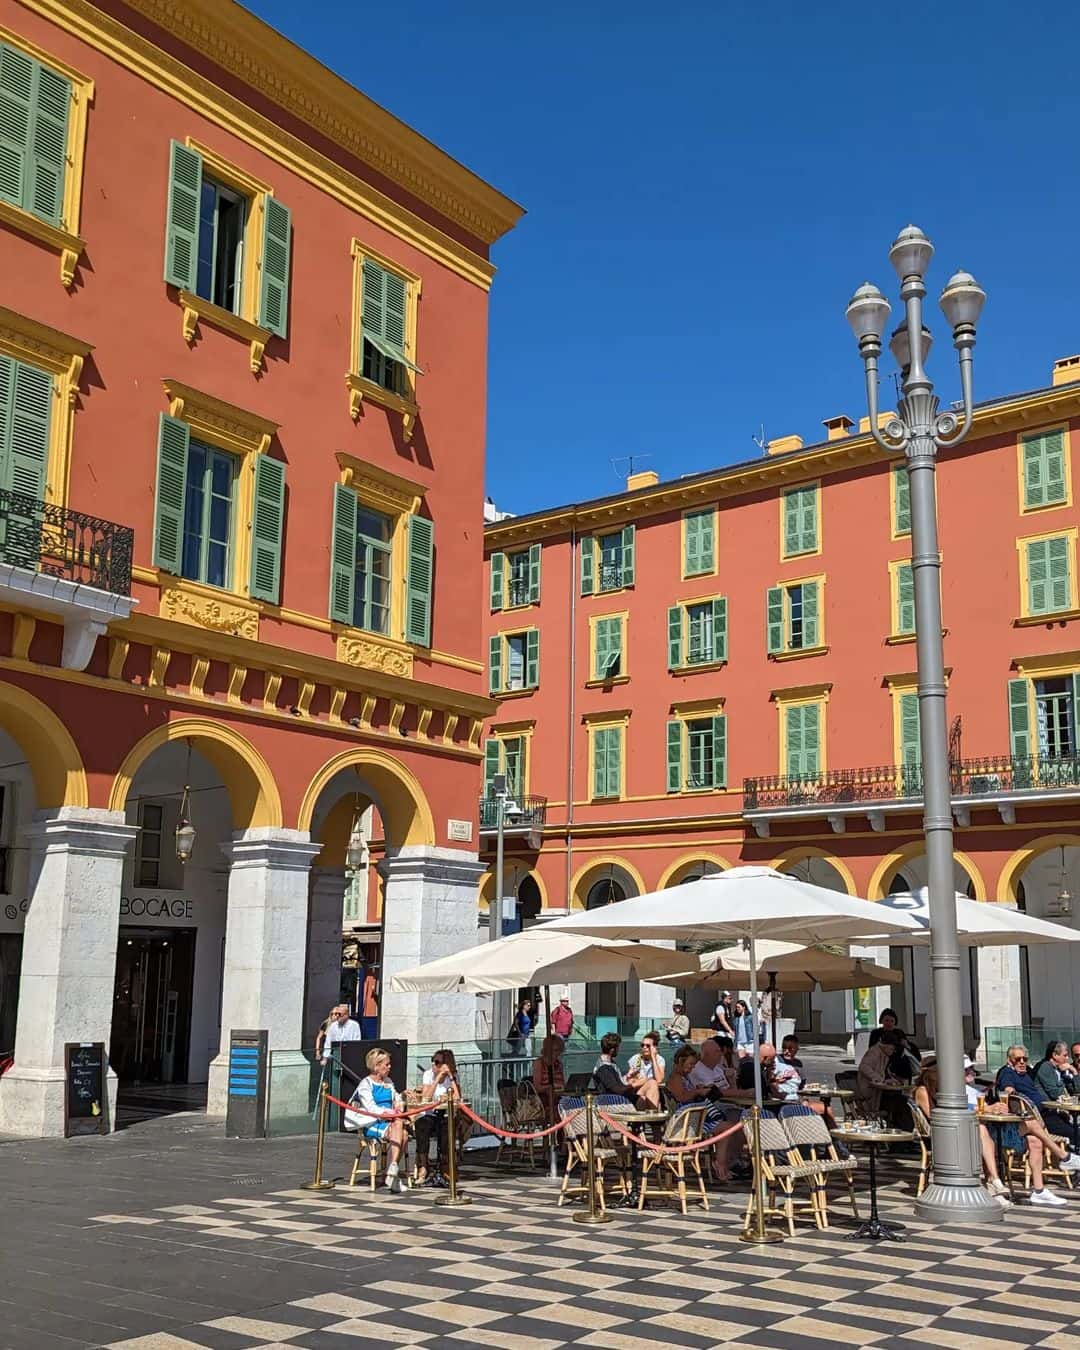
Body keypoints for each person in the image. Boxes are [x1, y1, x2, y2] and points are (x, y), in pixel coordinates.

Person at [995, 1044, 1080, 1206]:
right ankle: (1064, 1157)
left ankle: (1039, 1191)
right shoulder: (1007, 1072)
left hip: (1033, 1120)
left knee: (1036, 1142)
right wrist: (1012, 1094)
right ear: (1009, 1060)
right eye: (1017, 1059)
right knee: (1032, 1122)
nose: (1021, 1062)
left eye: (1024, 1059)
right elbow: (1007, 1090)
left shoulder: (1025, 1074)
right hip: (1011, 1125)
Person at [916, 1063, 1010, 1206]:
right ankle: (993, 1181)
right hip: (941, 1134)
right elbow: (934, 1116)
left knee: (981, 1129)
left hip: (955, 1129)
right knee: (980, 1131)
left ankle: (994, 1180)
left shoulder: (941, 1090)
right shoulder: (922, 1091)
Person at [667, 1045, 742, 1181]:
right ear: (680, 1061)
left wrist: (697, 1089)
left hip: (695, 1118)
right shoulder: (675, 1078)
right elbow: (681, 1098)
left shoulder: (684, 1077)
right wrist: (697, 1092)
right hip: (687, 1122)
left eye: (693, 1065)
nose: (692, 1068)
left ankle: (721, 1163)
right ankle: (721, 1164)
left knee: (728, 1126)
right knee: (728, 1127)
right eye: (690, 1064)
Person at [345, 1047, 407, 1194]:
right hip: (372, 1122)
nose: (390, 1067)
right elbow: (371, 1108)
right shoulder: (365, 1084)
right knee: (401, 1130)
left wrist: (400, 1102)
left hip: (389, 1122)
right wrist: (389, 1112)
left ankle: (391, 1170)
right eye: (386, 1064)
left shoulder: (388, 1082)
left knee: (402, 1131)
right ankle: (392, 1173)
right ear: (376, 1066)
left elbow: (396, 1098)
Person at [414, 1049, 460, 1187]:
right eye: (433, 1061)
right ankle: (424, 1166)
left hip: (446, 1113)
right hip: (430, 1113)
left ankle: (444, 1167)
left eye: (438, 1062)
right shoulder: (428, 1074)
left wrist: (450, 1077)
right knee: (421, 1125)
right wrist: (436, 1080)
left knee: (447, 1128)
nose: (434, 1065)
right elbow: (426, 1098)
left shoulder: (453, 1076)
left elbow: (457, 1097)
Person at [593, 1032, 661, 1109]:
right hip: (615, 1102)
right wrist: (635, 1084)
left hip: (620, 1097)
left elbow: (615, 1083)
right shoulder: (604, 1068)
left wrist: (627, 1076)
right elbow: (617, 1090)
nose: (618, 1050)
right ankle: (654, 1118)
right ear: (612, 1050)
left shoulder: (610, 1063)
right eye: (618, 1048)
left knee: (652, 1084)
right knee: (648, 1095)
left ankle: (653, 1117)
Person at [1033, 1040, 1080, 1148]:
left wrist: (1074, 1072)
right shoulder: (1045, 1067)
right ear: (1054, 1055)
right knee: (1076, 1133)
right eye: (1065, 1055)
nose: (1067, 1058)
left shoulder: (1057, 1069)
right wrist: (1065, 1076)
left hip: (1060, 1112)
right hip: (1047, 1114)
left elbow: (1077, 1090)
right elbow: (1056, 1094)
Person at [855, 1029, 906, 1122]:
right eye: (892, 1049)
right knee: (895, 1101)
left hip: (877, 1089)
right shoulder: (874, 1052)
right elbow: (864, 1067)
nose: (893, 1051)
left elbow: (882, 1072)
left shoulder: (883, 1054)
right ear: (886, 1046)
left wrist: (889, 1079)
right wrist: (878, 1078)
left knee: (897, 1099)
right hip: (869, 1090)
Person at [532, 1034, 566, 1123]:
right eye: (555, 1051)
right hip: (544, 1101)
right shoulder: (539, 1063)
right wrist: (550, 1087)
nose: (558, 1054)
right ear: (548, 1050)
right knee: (560, 1110)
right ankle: (562, 1133)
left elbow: (563, 1083)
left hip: (558, 1098)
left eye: (559, 1051)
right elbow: (537, 1087)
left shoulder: (559, 1064)